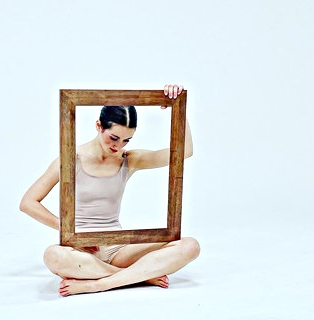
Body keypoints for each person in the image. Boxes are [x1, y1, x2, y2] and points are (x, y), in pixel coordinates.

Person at [20, 84, 200, 296]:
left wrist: (176, 105)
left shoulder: (129, 160)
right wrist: (69, 230)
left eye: (126, 140)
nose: (118, 145)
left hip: (118, 248)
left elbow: (185, 151)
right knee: (53, 256)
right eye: (114, 138)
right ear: (99, 125)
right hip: (80, 250)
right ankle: (140, 276)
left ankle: (98, 283)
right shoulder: (71, 159)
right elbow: (28, 202)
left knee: (189, 245)